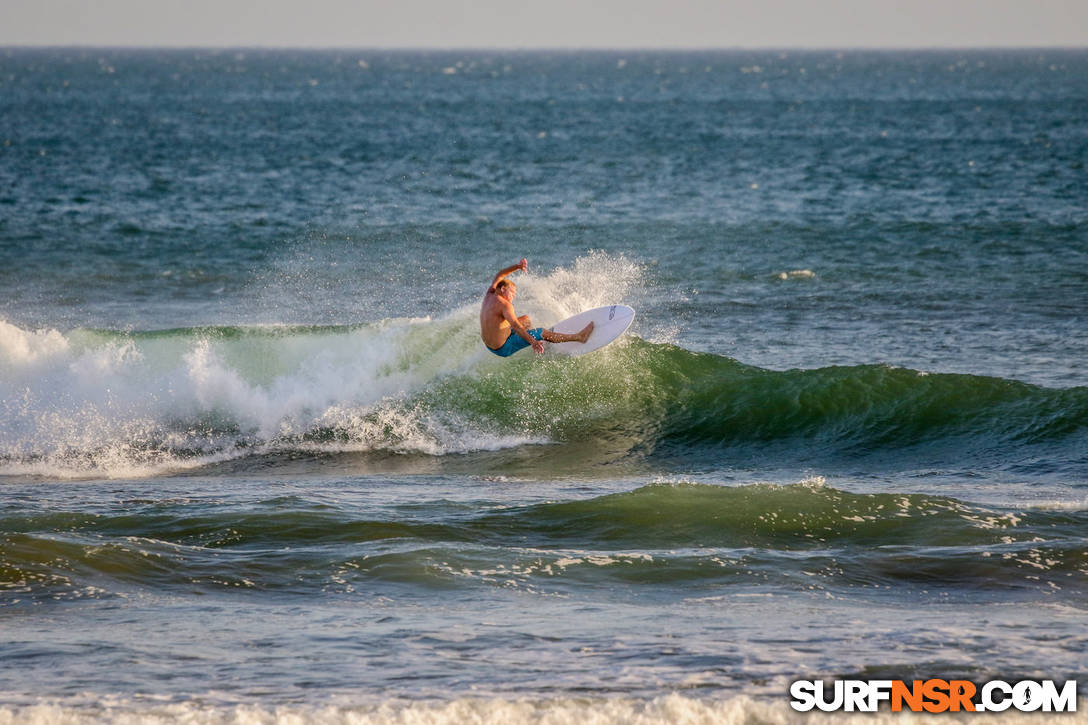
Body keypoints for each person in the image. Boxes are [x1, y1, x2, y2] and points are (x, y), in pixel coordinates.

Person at [480, 258, 593, 356]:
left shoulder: (490, 293)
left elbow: (500, 275)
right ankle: (579, 337)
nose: (513, 297)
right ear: (503, 289)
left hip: (490, 345)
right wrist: (533, 341)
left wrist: (518, 266)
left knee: (525, 319)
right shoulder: (505, 305)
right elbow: (516, 326)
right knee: (541, 332)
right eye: (512, 293)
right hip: (503, 348)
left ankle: (539, 345)